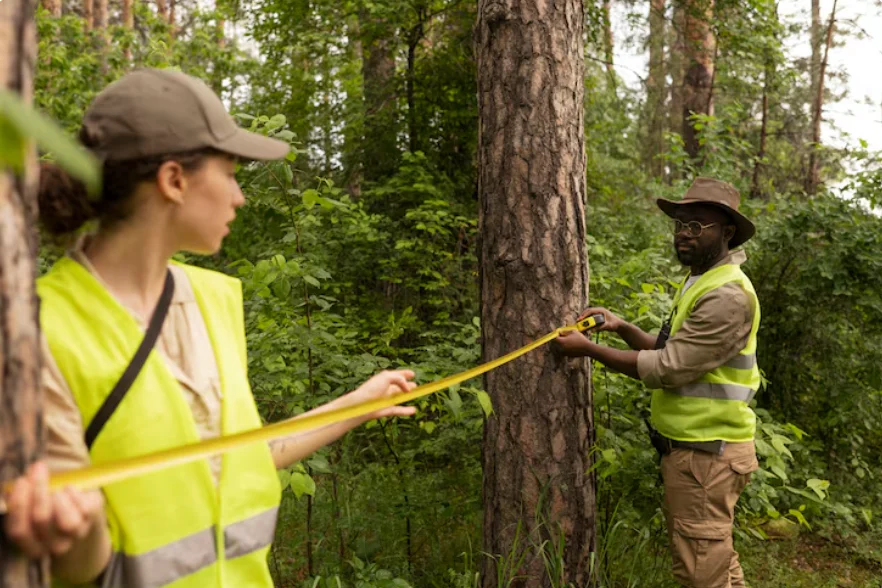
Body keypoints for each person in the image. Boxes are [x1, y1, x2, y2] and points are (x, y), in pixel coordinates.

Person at [2, 68, 417, 587]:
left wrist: (357, 403)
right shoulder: (37, 330)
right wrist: (72, 526)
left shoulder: (212, 299)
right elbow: (75, 561)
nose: (239, 196)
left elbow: (234, 460)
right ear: (174, 180)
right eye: (231, 172)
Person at [555, 177, 761, 588]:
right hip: (698, 454)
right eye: (680, 224)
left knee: (702, 573)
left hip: (707, 456)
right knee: (716, 564)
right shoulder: (700, 281)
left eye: (697, 226)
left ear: (727, 232)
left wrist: (588, 350)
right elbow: (672, 349)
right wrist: (620, 326)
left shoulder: (728, 296)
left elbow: (668, 368)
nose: (684, 233)